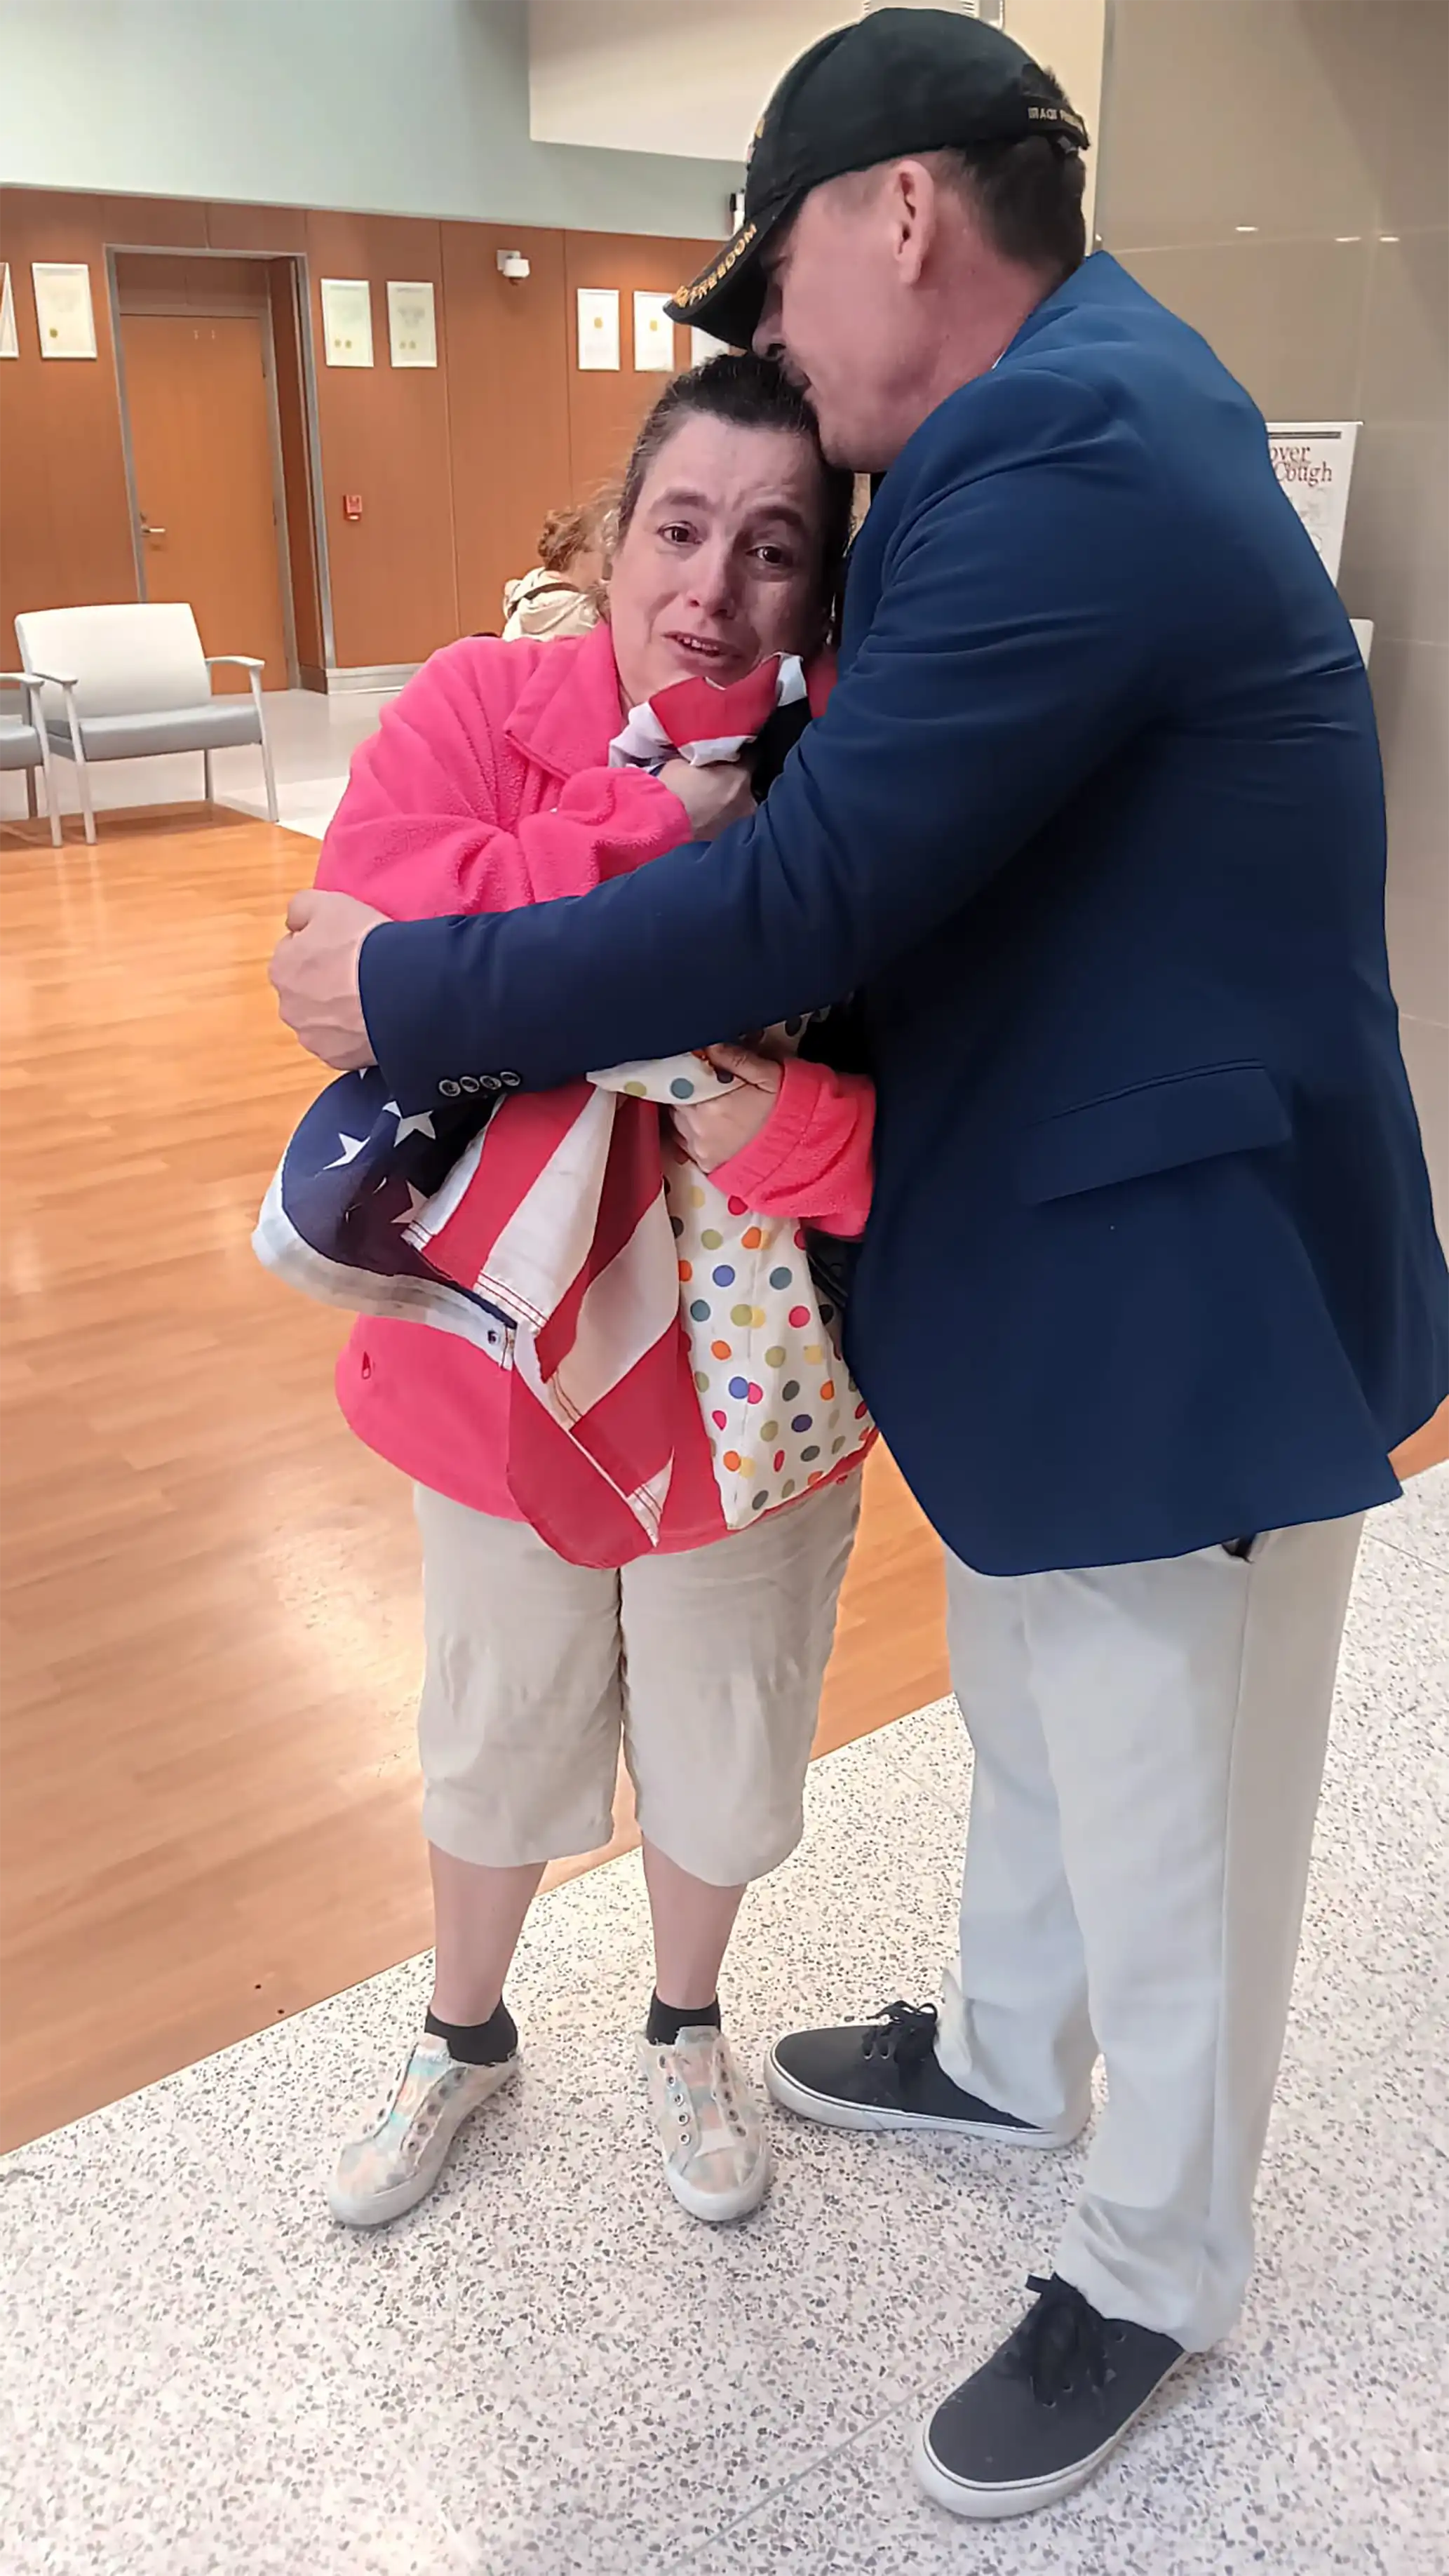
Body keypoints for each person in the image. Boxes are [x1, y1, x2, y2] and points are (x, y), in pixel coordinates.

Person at [269, 8, 1449, 2527]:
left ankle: (1154, 2254)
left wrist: (402, 988)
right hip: (1037, 1262)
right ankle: (1010, 2055)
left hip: (1176, 1291)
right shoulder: (1026, 428)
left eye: (777, 277)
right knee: (1037, 1711)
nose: (774, 345)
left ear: (894, 212)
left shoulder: (1066, 447)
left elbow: (807, 893)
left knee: (1167, 1796)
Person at [308, 355, 872, 2238]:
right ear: (614, 540)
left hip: (756, 1379)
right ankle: (463, 2032)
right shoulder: (485, 700)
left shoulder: (862, 776)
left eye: (774, 548)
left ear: (822, 588)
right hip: (495, 1371)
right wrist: (654, 861)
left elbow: (888, 1113)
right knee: (492, 1714)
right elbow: (366, 941)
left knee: (725, 1727)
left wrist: (621, 1020)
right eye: (683, 527)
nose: (714, 585)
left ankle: (681, 2022)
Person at [499, 498, 607, 641]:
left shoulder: (523, 593)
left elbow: (511, 587)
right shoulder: (586, 618)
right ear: (580, 557)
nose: (605, 556)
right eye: (600, 549)